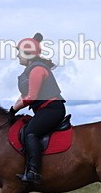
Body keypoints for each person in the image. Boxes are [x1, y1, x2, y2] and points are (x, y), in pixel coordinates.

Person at [10, 32, 66, 184]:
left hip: (52, 109)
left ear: (28, 54)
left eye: (19, 53)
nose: (17, 56)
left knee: (30, 133)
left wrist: (14, 109)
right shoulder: (28, 71)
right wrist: (11, 109)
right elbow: (23, 95)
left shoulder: (37, 70)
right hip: (44, 110)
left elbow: (31, 97)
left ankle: (33, 172)